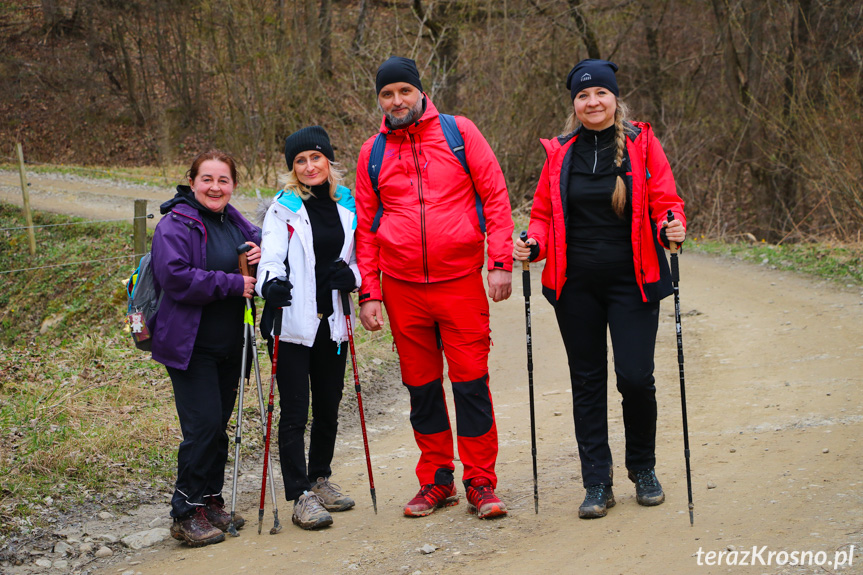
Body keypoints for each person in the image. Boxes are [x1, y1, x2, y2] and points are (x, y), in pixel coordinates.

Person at [514, 59, 686, 519]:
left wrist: (674, 226)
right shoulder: (560, 152)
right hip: (576, 288)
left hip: (634, 283)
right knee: (587, 383)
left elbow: (667, 201)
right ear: (574, 104)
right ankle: (596, 482)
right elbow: (544, 216)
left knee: (635, 378)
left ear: (615, 99)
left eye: (601, 94)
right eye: (583, 96)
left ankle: (643, 469)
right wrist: (534, 243)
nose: (593, 102)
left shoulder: (641, 147)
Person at [354, 56, 514, 520]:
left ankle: (480, 480)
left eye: (404, 90)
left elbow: (495, 196)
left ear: (420, 92)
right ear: (380, 100)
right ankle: (436, 480)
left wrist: (499, 262)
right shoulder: (373, 152)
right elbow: (366, 228)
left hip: (460, 282)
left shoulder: (459, 132)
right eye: (387, 94)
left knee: (470, 386)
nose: (397, 100)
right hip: (403, 288)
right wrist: (370, 292)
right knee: (421, 390)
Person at [149, 150, 261, 546]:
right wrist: (233, 283)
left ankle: (209, 501)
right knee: (203, 427)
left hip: (231, 345)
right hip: (189, 346)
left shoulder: (233, 220)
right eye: (207, 179)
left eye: (223, 180)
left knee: (218, 428)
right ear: (192, 182)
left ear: (233, 184)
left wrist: (259, 256)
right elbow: (175, 277)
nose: (215, 187)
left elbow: (259, 252)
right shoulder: (174, 225)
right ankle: (184, 512)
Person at [255, 126, 361, 530]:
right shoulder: (282, 209)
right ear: (292, 169)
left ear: (328, 161)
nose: (309, 165)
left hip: (332, 322)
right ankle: (299, 494)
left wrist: (351, 277)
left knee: (329, 408)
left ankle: (320, 478)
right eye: (300, 161)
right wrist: (271, 284)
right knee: (295, 411)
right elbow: (270, 259)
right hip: (292, 322)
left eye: (315, 157)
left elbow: (356, 258)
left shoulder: (348, 205)